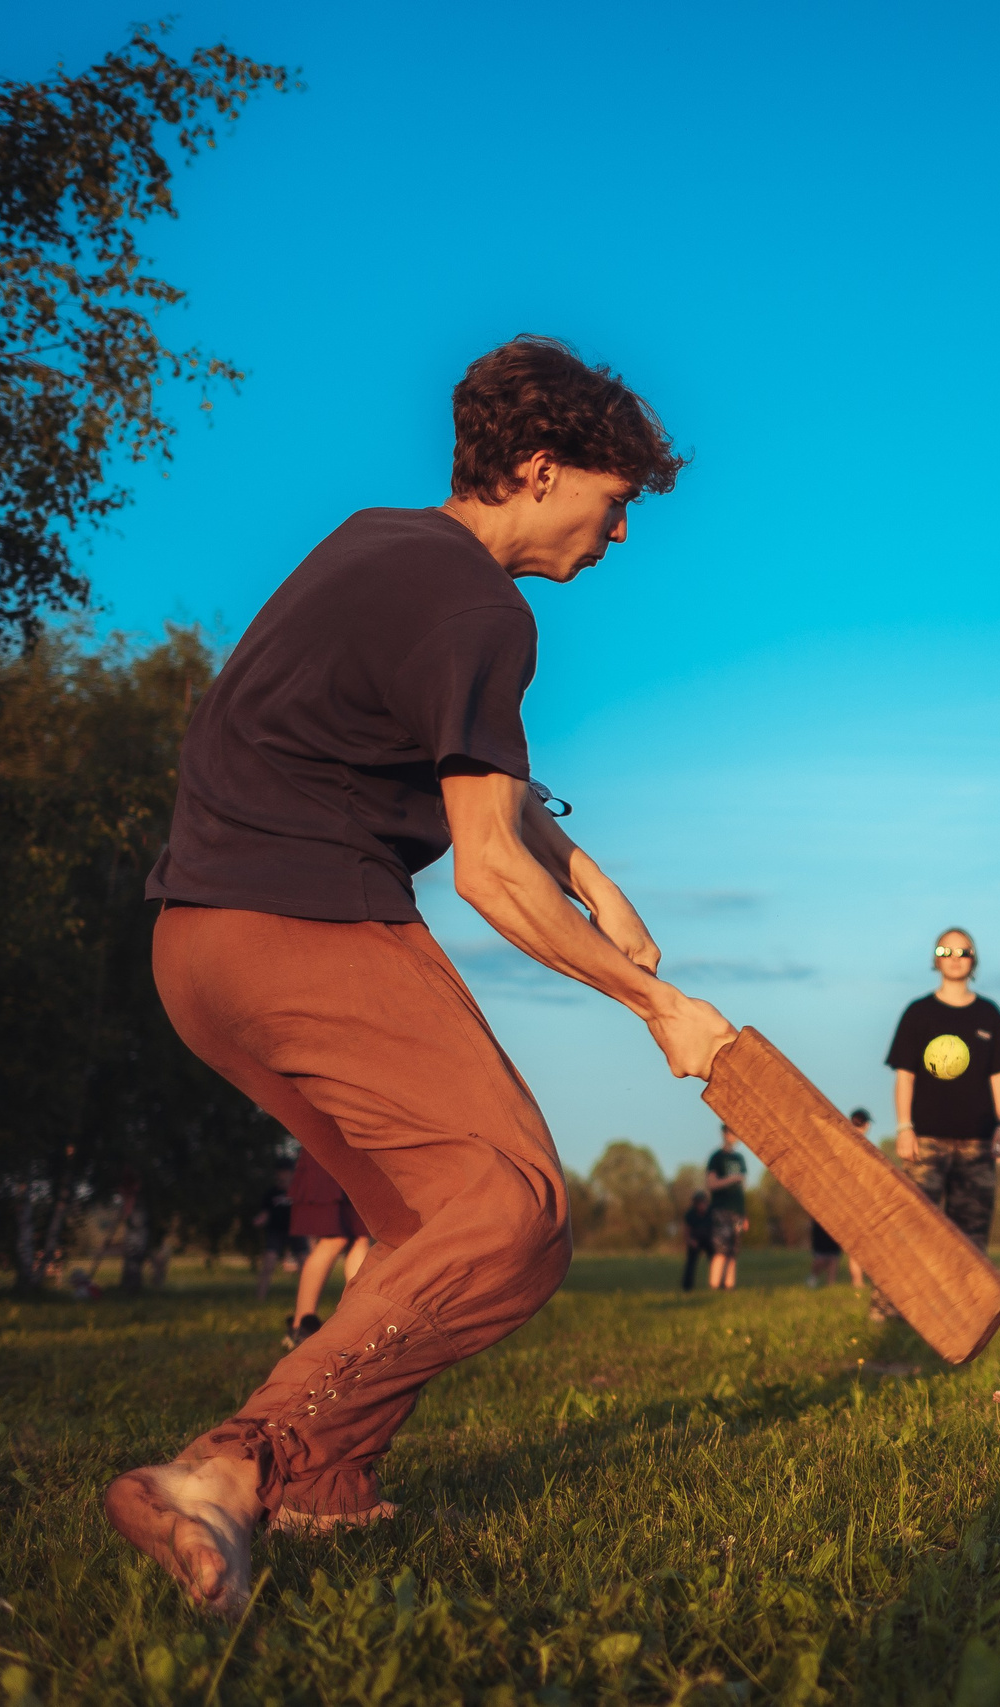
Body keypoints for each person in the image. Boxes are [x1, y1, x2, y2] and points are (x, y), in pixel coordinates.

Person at [108, 336, 735, 1619]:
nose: (620, 538)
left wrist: (588, 867)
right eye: (615, 507)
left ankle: (325, 1493)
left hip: (196, 949)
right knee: (514, 1213)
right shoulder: (482, 611)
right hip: (309, 925)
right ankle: (231, 1468)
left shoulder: (374, 547)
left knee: (425, 1218)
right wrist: (662, 1006)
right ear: (543, 467)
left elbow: (438, 766)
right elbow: (488, 875)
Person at [885, 929, 1000, 1281]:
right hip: (925, 1141)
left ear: (974, 959)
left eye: (964, 951)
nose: (955, 956)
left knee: (970, 1238)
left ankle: (964, 1314)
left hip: (978, 1145)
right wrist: (903, 1127)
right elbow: (905, 1077)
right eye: (946, 949)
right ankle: (892, 1308)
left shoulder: (990, 1015)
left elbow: (999, 1077)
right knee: (911, 1228)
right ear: (935, 959)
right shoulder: (917, 1013)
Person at [284, 1149, 372, 1348]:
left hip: (356, 1155)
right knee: (334, 1239)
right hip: (328, 1151)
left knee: (360, 1237)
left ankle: (360, 1321)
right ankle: (300, 1326)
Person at [703, 1127, 750, 1291]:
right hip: (721, 1210)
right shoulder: (717, 1157)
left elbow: (742, 1189)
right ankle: (714, 1286)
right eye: (731, 1132)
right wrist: (731, 1179)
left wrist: (744, 1215)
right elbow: (711, 1184)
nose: (734, 1135)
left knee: (733, 1250)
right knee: (720, 1249)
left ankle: (729, 1286)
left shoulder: (739, 1158)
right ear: (724, 1134)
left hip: (737, 1212)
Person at [250, 1162, 299, 1303]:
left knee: (305, 1262)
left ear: (291, 1174)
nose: (281, 1176)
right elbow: (265, 1213)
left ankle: (304, 1299)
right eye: (279, 1173)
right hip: (275, 1231)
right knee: (268, 1264)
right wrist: (259, 1220)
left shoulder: (297, 1191)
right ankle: (260, 1298)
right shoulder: (271, 1193)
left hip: (296, 1231)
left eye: (285, 1173)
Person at [838, 1108, 874, 1289]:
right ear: (865, 1124)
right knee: (861, 1243)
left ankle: (858, 1280)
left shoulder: (843, 1144)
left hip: (848, 1200)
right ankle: (858, 1281)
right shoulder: (863, 1146)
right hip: (861, 1200)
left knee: (857, 1244)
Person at [679, 1190, 714, 1293]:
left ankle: (718, 1283)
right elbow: (687, 1231)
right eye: (698, 1203)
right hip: (695, 1240)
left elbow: (716, 1228)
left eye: (703, 1202)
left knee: (715, 1261)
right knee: (691, 1263)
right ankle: (687, 1287)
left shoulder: (711, 1212)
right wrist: (690, 1241)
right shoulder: (690, 1214)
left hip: (709, 1240)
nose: (701, 1205)